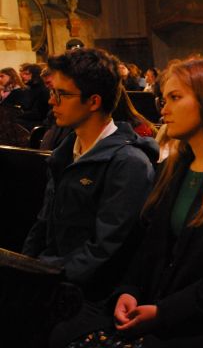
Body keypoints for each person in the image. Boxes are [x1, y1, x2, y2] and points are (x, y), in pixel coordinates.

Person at [51, 58, 203, 348]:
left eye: (175, 98)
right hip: (163, 306)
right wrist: (129, 291)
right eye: (164, 98)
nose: (163, 109)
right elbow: (149, 245)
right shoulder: (176, 165)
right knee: (62, 334)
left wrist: (163, 313)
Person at [21, 48, 159, 300]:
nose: (52, 101)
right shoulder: (64, 153)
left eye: (61, 94)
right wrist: (24, 267)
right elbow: (44, 222)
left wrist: (44, 280)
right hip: (51, 273)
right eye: (52, 92)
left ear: (94, 101)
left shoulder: (128, 164)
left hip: (89, 293)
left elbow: (104, 249)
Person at [19, 63, 50, 129]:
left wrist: (18, 114)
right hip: (28, 120)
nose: (23, 76)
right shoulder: (29, 88)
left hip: (38, 123)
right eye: (22, 74)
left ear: (36, 75)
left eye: (27, 74)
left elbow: (38, 114)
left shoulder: (43, 90)